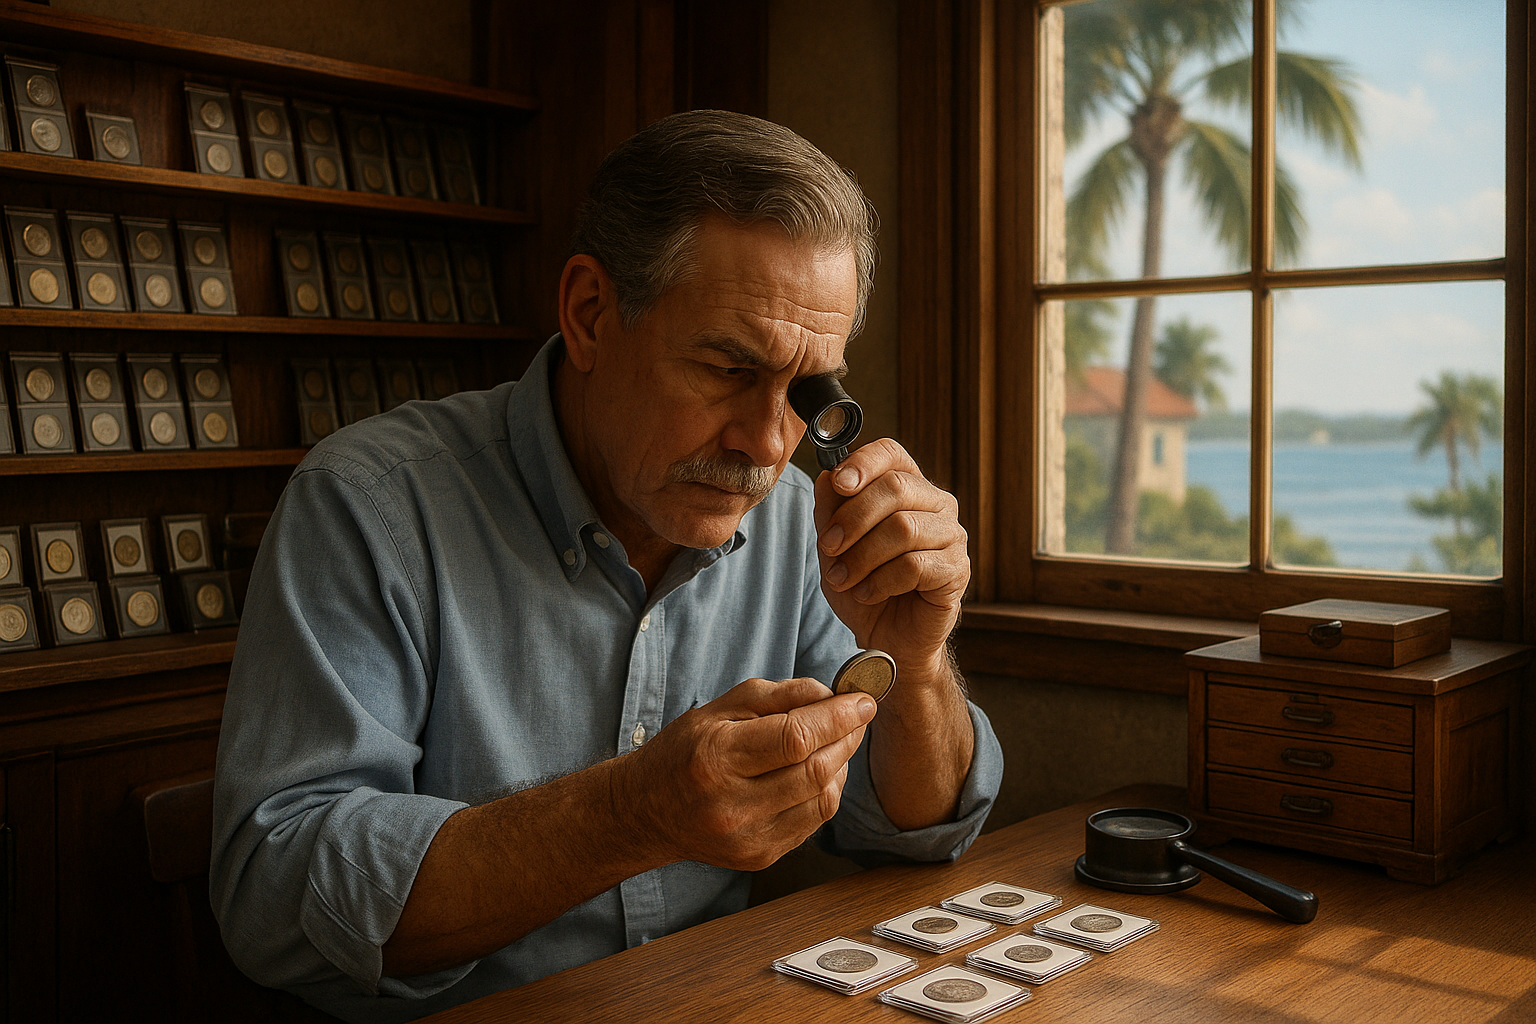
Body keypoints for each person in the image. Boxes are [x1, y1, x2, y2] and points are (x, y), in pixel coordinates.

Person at [210, 109, 1003, 1023]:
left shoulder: (798, 519)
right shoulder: (371, 506)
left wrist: (918, 659)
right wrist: (630, 816)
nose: (765, 444)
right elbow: (273, 895)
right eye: (725, 368)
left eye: (807, 392)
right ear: (591, 314)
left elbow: (908, 828)